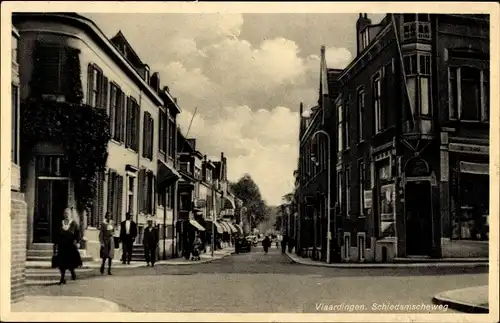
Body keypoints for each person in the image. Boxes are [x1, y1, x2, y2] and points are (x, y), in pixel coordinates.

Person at [54, 208, 82, 284]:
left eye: (68, 214)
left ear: (70, 215)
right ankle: (62, 277)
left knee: (70, 262)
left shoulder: (74, 224)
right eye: (65, 213)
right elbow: (58, 234)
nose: (66, 215)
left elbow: (78, 234)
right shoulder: (61, 223)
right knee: (61, 263)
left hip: (70, 246)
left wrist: (78, 242)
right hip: (62, 246)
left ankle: (72, 272)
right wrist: (56, 244)